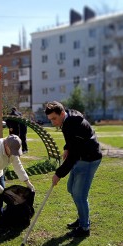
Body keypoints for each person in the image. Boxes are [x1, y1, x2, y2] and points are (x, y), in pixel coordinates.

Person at [45, 101, 102, 237]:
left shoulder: (72, 124)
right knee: (71, 188)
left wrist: (58, 174)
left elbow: (73, 156)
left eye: (54, 118)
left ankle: (84, 228)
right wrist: (67, 147)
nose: (53, 123)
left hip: (89, 159)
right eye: (50, 120)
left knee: (80, 194)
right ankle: (82, 218)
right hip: (81, 156)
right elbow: (73, 141)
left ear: (62, 113)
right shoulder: (68, 120)